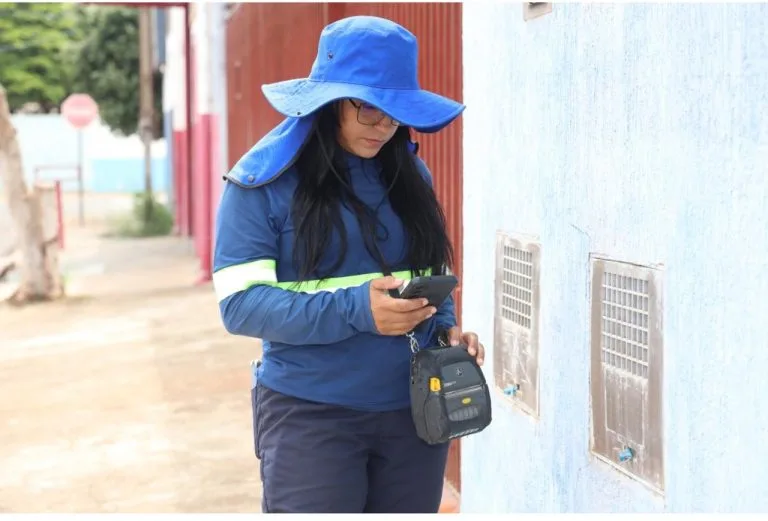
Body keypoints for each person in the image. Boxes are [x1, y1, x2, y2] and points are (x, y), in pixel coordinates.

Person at [213, 15, 485, 514]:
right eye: (370, 108)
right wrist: (358, 310)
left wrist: (444, 330)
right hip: (311, 417)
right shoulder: (260, 182)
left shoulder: (410, 173)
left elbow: (426, 275)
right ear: (330, 100)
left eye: (395, 112)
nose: (385, 125)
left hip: (414, 415)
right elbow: (240, 306)